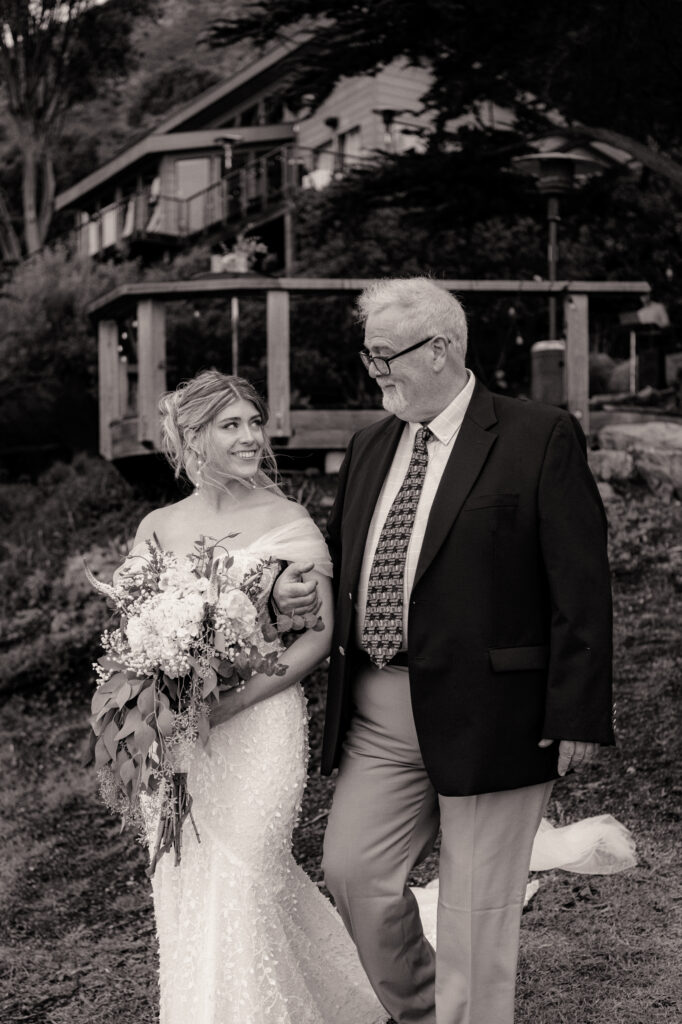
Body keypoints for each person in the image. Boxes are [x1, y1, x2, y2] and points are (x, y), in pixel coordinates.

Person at [274, 277, 615, 1024]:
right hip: (380, 709)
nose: (376, 374)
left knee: (475, 908)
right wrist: (288, 596)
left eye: (385, 357)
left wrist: (579, 709)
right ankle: (428, 1012)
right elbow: (347, 563)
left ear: (443, 348)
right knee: (354, 874)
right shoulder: (368, 446)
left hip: (501, 710)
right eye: (369, 359)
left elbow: (580, 583)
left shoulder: (537, 435)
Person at [121, 370, 384, 1024]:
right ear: (193, 437)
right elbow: (133, 639)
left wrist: (230, 703)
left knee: (248, 870)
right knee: (186, 878)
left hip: (262, 719)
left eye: (253, 422)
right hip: (179, 736)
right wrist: (157, 705)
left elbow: (316, 639)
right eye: (229, 424)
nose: (249, 436)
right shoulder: (157, 525)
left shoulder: (285, 519)